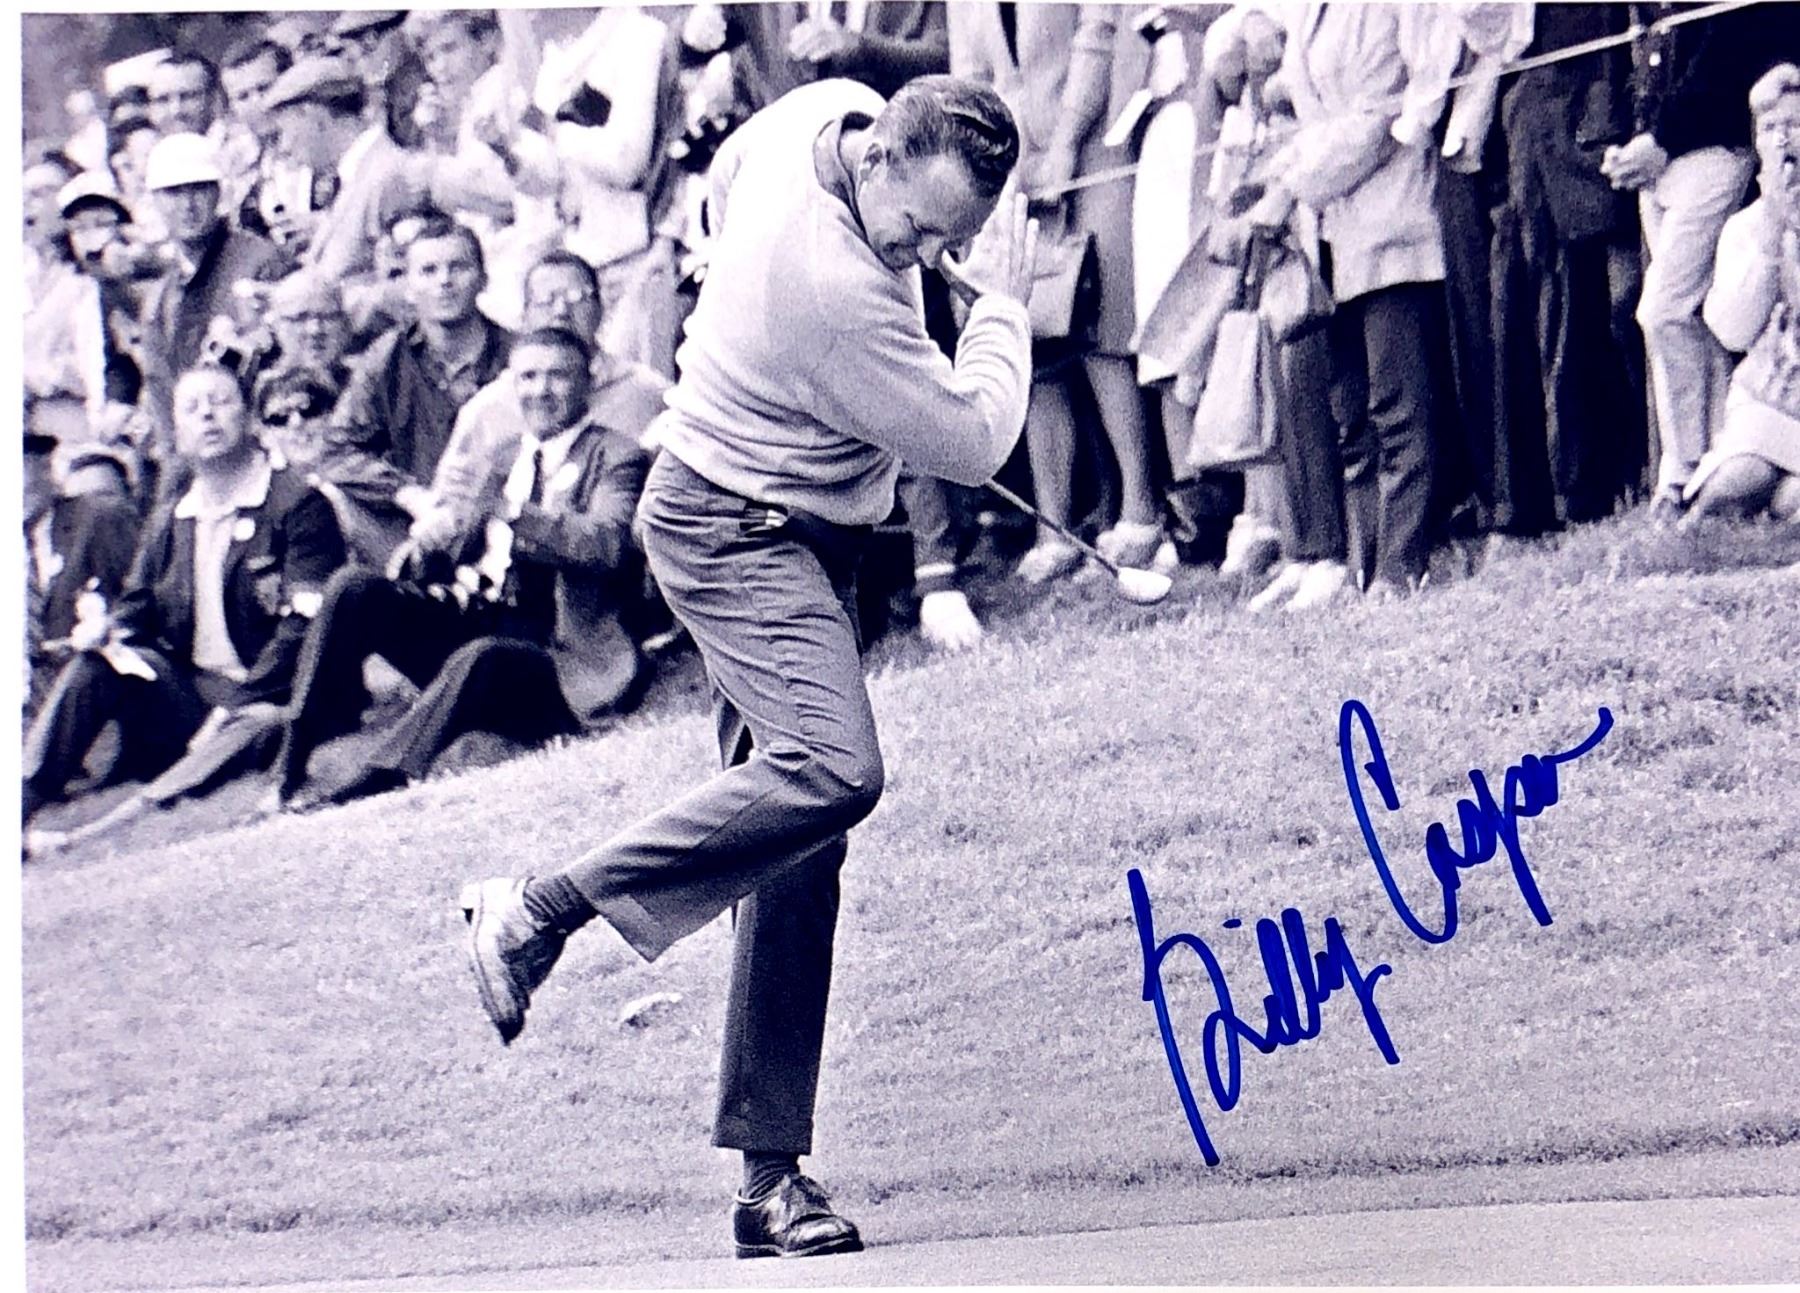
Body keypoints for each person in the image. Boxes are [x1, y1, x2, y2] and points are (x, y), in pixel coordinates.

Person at [458, 72, 1035, 1259]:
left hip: (792, 522)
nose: (925, 255)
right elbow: (975, 442)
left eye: (953, 240)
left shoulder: (820, 113)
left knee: (794, 838)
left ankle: (770, 1182)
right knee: (834, 770)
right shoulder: (828, 285)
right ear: (879, 160)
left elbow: (728, 183)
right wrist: (1005, 314)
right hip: (733, 529)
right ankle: (538, 909)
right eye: (918, 229)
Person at [273, 326, 652, 811]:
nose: (540, 391)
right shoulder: (508, 455)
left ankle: (379, 776)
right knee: (355, 588)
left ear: (589, 379)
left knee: (484, 655)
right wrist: (429, 552)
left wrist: (515, 512)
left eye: (558, 376)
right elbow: (468, 544)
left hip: (555, 656)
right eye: (528, 377)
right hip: (482, 620)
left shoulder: (616, 455)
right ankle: (291, 761)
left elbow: (607, 545)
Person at [22, 364, 346, 826]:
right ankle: (20, 801)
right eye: (192, 409)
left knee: (261, 725)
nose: (207, 416)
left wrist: (234, 707)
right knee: (97, 664)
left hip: (279, 695)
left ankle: (120, 819)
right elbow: (137, 606)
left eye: (221, 402)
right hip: (196, 696)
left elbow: (304, 632)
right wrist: (109, 631)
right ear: (178, 433)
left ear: (250, 418)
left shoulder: (298, 504)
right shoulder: (175, 518)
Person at [1607, 2, 1778, 516]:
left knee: (1662, 310)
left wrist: (1661, 137)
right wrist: (1632, 140)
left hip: (1711, 146)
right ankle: (1717, 468)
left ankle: (1680, 472)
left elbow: (1723, 50)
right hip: (1656, 155)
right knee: (1695, 318)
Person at [1684, 63, 1800, 523]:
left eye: (1794, 124)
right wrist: (1772, 234)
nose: (1782, 140)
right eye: (1769, 129)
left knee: (1792, 499)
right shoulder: (1745, 228)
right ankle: (1696, 523)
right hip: (1765, 405)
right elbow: (1733, 331)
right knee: (1739, 480)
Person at [23, 427, 139, 717]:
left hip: (94, 703)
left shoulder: (97, 519)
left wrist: (100, 633)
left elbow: (142, 603)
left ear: (44, 468)